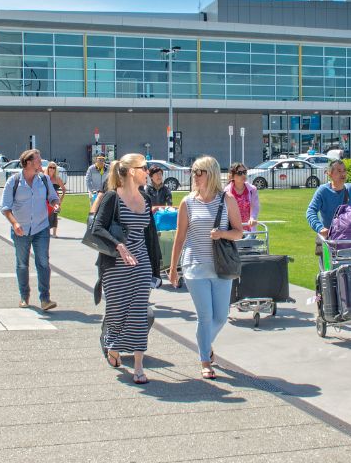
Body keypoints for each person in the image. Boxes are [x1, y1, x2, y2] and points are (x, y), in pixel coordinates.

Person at [168, 155, 243, 380]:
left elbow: (239, 231)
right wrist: (173, 268)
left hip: (221, 266)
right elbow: (179, 238)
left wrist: (222, 234)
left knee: (220, 316)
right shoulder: (187, 202)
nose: (194, 176)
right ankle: (204, 359)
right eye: (193, 172)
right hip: (194, 265)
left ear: (210, 173)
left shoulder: (226, 200)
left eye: (198, 172)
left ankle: (205, 343)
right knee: (205, 316)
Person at [90, 154, 161, 384]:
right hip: (115, 265)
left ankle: (138, 366)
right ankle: (111, 345)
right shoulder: (112, 197)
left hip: (140, 263)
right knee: (117, 313)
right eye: (144, 168)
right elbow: (97, 228)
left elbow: (150, 236)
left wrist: (156, 270)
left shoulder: (146, 198)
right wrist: (119, 245)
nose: (147, 171)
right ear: (131, 171)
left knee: (139, 312)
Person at [0, 149, 60, 311]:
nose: (41, 163)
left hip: (41, 228)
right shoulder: (14, 181)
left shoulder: (44, 179)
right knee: (22, 264)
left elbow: (53, 196)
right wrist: (14, 223)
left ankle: (45, 299)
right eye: (38, 160)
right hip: (21, 230)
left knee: (43, 262)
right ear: (28, 163)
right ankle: (24, 296)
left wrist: (55, 203)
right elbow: (5, 207)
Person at [305, 159, 351, 260]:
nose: (343, 173)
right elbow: (310, 211)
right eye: (339, 171)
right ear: (330, 174)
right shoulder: (323, 191)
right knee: (327, 274)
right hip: (329, 243)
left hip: (350, 242)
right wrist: (319, 228)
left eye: (344, 170)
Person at [224, 162, 260, 231]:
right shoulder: (227, 191)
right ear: (232, 176)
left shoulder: (252, 189)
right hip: (233, 230)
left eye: (244, 172)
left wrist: (252, 218)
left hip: (249, 229)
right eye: (239, 173)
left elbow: (255, 207)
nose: (243, 175)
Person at [45, 161, 67, 238]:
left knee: (55, 215)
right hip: (45, 199)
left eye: (53, 167)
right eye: (50, 167)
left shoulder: (57, 178)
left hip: (55, 199)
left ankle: (54, 233)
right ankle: (46, 231)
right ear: (48, 168)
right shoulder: (44, 177)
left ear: (55, 169)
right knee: (45, 215)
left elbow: (64, 189)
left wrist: (61, 199)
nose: (52, 169)